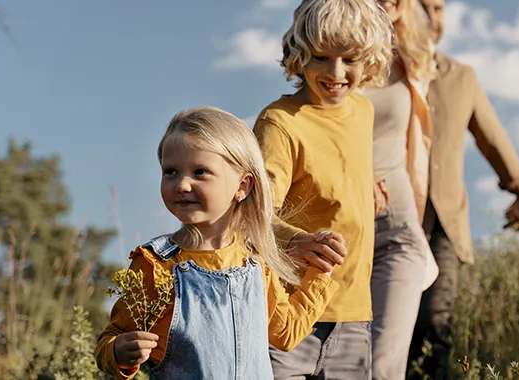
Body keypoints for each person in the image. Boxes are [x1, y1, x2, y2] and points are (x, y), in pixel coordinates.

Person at [95, 106, 341, 379]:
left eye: (200, 172)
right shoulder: (156, 265)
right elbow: (113, 337)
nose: (182, 185)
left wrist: (321, 271)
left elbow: (285, 333)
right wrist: (119, 351)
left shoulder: (255, 263)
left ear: (242, 187)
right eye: (171, 172)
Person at [254, 0, 394, 379]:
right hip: (289, 312)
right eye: (321, 57)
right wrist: (296, 241)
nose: (336, 72)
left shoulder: (363, 111)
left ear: (369, 58)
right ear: (299, 56)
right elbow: (253, 214)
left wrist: (364, 185)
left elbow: (337, 163)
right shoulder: (280, 123)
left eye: (350, 59)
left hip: (354, 313)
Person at [407, 0, 519, 378]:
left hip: (444, 223)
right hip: (391, 217)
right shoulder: (379, 70)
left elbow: (492, 137)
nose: (432, 17)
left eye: (438, 8)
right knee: (386, 330)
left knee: (436, 324)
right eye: (422, 7)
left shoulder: (461, 77)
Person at [343, 0, 441, 380]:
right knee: (339, 365)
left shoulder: (415, 58)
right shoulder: (330, 52)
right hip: (338, 229)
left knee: (382, 366)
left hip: (398, 227)